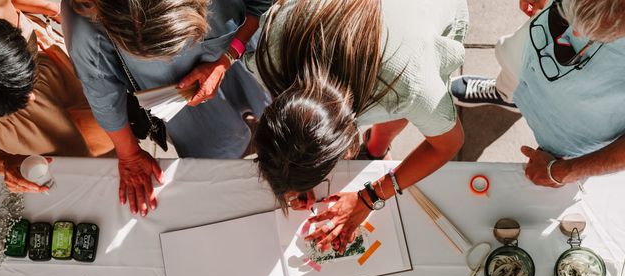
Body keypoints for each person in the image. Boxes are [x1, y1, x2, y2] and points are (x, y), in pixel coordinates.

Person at [246, 0, 468, 253]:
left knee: (402, 106)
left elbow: (447, 145)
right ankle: (376, 148)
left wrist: (370, 197)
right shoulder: (270, 57)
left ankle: (377, 145)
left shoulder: (408, 85)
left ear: (345, 142)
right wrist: (298, 177)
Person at [63, 0, 271, 217]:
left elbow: (261, 5)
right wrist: (129, 154)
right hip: (184, 106)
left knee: (271, 111)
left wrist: (227, 58)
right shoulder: (84, 29)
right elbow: (102, 93)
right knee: (218, 159)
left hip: (240, 44)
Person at [450, 0, 625, 188]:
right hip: (531, 52)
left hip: (578, 120)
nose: (575, 33)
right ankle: (504, 94)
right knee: (510, 80)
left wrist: (562, 171)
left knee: (552, 156)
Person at [0, 0, 112, 193]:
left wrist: (58, 14)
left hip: (49, 70)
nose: (31, 98)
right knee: (76, 176)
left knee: (109, 133)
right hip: (17, 128)